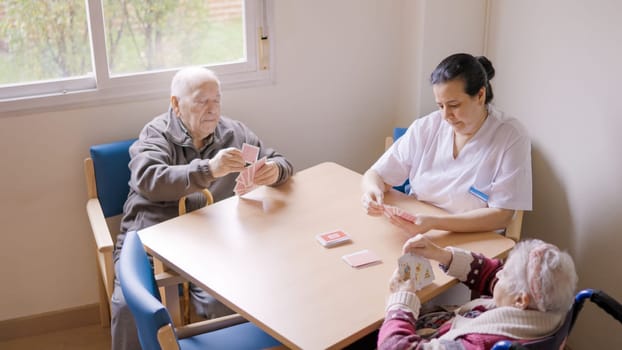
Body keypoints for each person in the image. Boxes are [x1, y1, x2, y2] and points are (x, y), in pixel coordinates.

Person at [110, 66, 294, 350]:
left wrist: (274, 170)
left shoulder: (233, 133)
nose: (212, 109)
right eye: (201, 101)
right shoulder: (156, 133)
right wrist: (208, 169)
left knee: (236, 300)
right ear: (176, 104)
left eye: (217, 100)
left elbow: (278, 159)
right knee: (128, 308)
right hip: (151, 239)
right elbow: (148, 179)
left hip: (209, 242)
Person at [362, 53, 532, 236]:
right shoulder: (426, 127)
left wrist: (435, 223)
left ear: (480, 95)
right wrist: (372, 193)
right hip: (417, 230)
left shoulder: (510, 136)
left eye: (454, 105)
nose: (445, 116)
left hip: (473, 240)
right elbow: (376, 174)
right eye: (440, 106)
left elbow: (503, 215)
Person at [378, 234, 578, 349]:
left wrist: (401, 301)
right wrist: (443, 255)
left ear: (520, 300)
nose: (498, 274)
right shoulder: (547, 308)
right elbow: (491, 274)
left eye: (505, 273)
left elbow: (394, 347)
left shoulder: (479, 343)